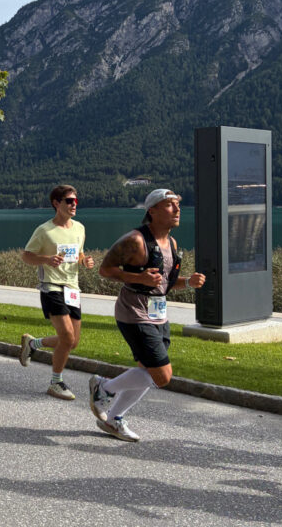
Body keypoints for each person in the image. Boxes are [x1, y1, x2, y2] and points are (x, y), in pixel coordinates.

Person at [89, 189, 205, 442]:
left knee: (146, 371)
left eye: (177, 205)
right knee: (161, 376)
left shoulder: (171, 244)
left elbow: (162, 283)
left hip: (158, 314)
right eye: (169, 205)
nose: (177, 210)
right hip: (133, 313)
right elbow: (105, 270)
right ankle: (104, 387)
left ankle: (115, 419)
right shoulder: (135, 241)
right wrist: (137, 277)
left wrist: (188, 283)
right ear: (151, 211)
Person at [18, 185, 95, 400]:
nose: (73, 205)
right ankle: (56, 382)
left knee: (73, 341)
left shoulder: (79, 228)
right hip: (51, 286)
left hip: (72, 288)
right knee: (67, 336)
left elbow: (79, 254)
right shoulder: (44, 231)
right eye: (69, 201)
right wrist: (46, 260)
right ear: (56, 203)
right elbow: (26, 256)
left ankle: (33, 344)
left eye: (75, 201)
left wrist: (85, 260)